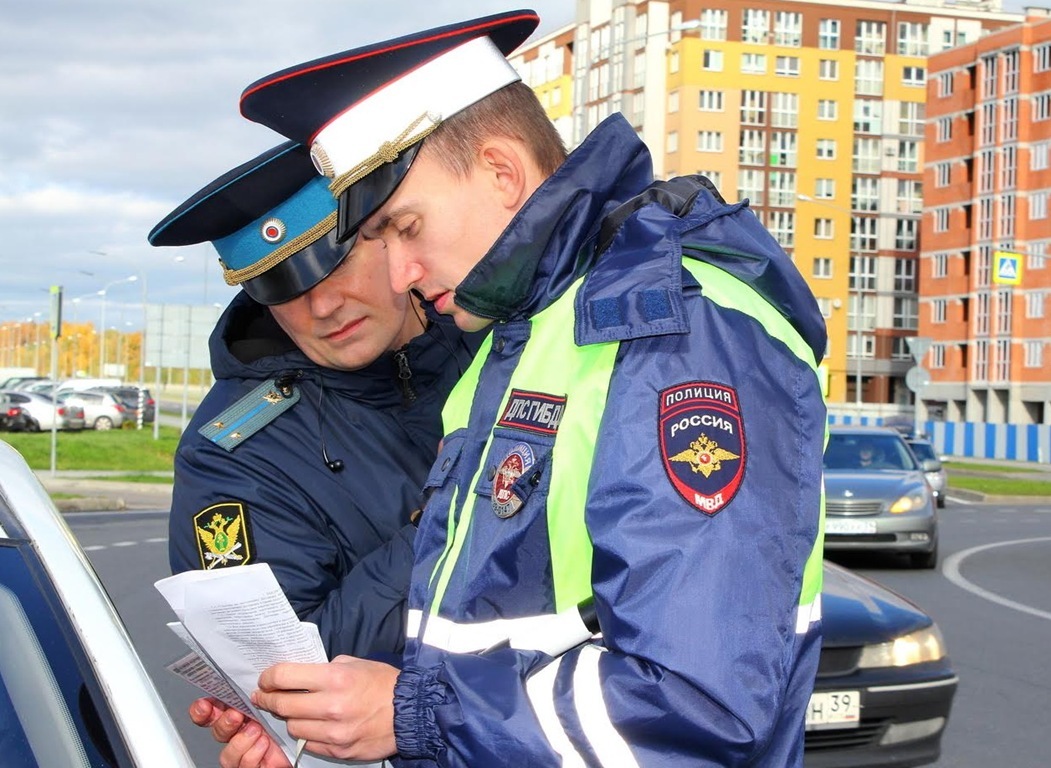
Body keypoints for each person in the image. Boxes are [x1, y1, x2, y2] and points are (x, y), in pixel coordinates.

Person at [215, 9, 828, 767]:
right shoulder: (524, 335)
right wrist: (359, 718)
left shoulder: (668, 331)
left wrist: (414, 719)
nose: (401, 273)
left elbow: (700, 703)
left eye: (405, 228)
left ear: (503, 173)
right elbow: (497, 639)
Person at [147, 140, 479, 752]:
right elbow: (295, 684)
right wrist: (452, 511)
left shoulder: (502, 340)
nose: (322, 305)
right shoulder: (233, 454)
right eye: (282, 289)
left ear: (385, 233)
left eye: (337, 263)